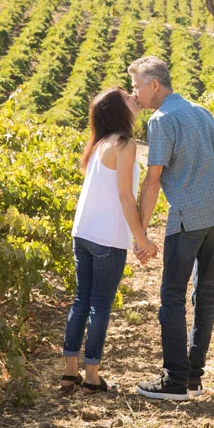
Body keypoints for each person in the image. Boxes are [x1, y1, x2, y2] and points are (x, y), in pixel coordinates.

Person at [129, 56, 214, 401]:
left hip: (188, 219)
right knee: (205, 295)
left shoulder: (161, 120)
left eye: (137, 87)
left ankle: (175, 380)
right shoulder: (201, 111)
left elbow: (152, 181)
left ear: (154, 85)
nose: (135, 95)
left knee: (171, 296)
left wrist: (141, 233)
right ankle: (193, 375)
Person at [60, 88, 159, 393]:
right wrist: (142, 238)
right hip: (106, 237)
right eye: (127, 97)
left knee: (82, 300)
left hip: (83, 232)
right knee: (100, 305)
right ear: (119, 110)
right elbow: (125, 196)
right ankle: (92, 376)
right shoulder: (125, 145)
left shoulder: (99, 143)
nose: (133, 97)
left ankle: (69, 373)